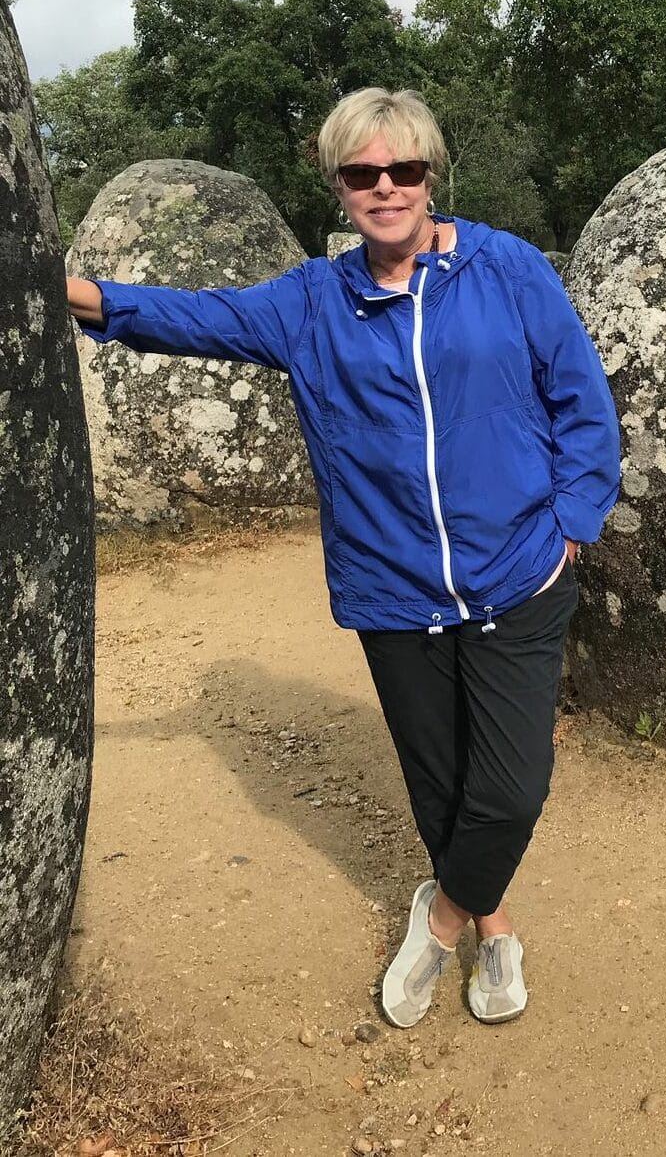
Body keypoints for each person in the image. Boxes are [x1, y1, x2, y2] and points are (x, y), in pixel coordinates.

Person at [67, 87, 620, 1028]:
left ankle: (441, 919)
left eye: (405, 169)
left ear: (431, 174)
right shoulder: (311, 302)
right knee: (439, 781)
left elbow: (580, 397)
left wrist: (573, 519)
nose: (387, 188)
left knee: (511, 785)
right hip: (392, 588)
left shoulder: (509, 269)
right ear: (338, 186)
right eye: (363, 173)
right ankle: (495, 925)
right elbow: (191, 317)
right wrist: (53, 284)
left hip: (518, 572)